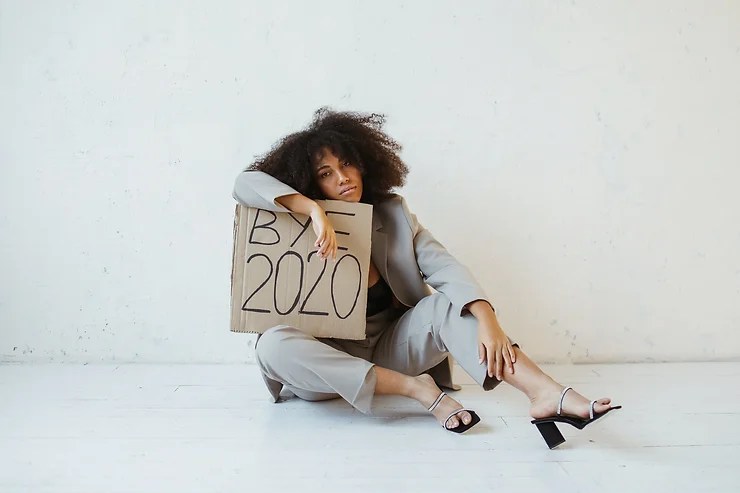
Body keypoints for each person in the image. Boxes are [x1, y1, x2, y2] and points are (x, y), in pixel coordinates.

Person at [232, 108, 619, 447]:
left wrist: (488, 320)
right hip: (324, 367)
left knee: (447, 305)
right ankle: (416, 389)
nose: (343, 178)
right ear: (310, 181)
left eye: (347, 164)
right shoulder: (298, 220)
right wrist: (313, 211)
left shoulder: (393, 214)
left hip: (391, 348)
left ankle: (546, 394)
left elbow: (446, 267)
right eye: (326, 173)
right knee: (270, 345)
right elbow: (244, 183)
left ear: (364, 163)